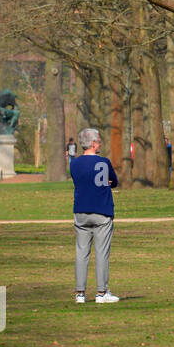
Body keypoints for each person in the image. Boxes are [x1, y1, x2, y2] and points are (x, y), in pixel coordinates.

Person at [69, 127, 120, 304]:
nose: (100, 143)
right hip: (102, 210)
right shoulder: (104, 162)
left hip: (81, 211)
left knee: (81, 253)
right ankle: (101, 292)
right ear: (92, 143)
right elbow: (114, 182)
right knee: (101, 253)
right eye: (98, 141)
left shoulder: (73, 164)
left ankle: (80, 294)